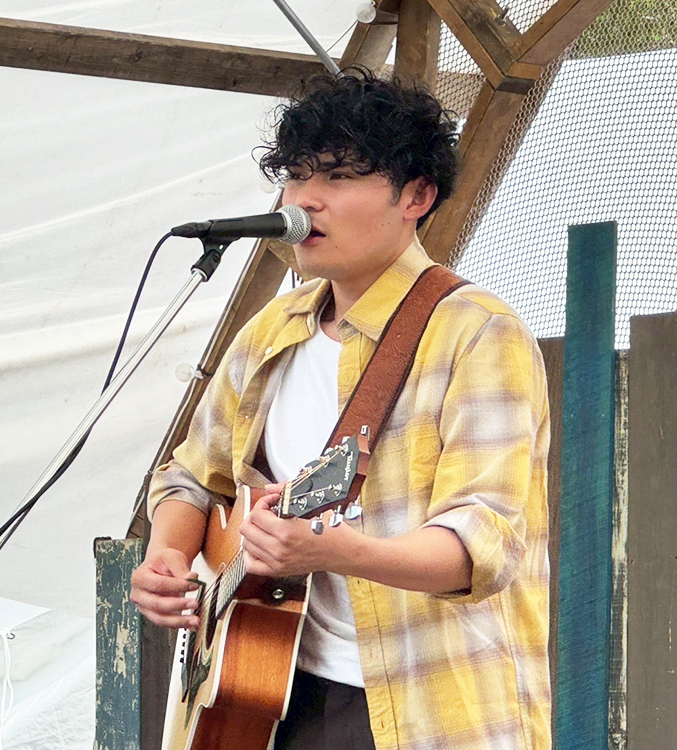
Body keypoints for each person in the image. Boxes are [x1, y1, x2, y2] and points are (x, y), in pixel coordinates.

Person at [130, 68, 551, 750]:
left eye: (338, 177)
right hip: (277, 693)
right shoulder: (271, 331)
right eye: (296, 177)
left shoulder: (477, 332)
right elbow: (190, 477)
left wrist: (336, 550)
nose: (304, 200)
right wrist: (168, 555)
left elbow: (483, 545)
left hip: (424, 706)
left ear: (416, 196)